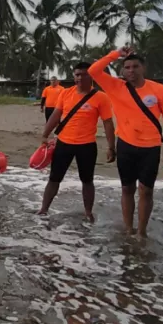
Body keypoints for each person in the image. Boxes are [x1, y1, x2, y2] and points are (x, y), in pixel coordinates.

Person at [89, 46, 163, 238]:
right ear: (123, 71)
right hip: (126, 145)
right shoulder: (115, 87)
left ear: (143, 68)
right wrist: (116, 54)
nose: (131, 70)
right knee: (127, 188)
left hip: (151, 148)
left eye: (135, 66)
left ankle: (141, 231)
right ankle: (128, 228)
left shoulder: (160, 90)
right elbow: (93, 71)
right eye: (127, 67)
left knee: (146, 191)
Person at [37, 62, 116, 222]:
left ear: (91, 76)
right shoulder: (66, 93)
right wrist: (45, 135)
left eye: (84, 74)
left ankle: (88, 213)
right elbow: (56, 115)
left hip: (87, 146)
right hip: (63, 143)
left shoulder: (101, 97)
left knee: (87, 181)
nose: (80, 78)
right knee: (54, 179)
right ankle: (43, 210)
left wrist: (111, 147)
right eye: (77, 74)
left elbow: (108, 123)